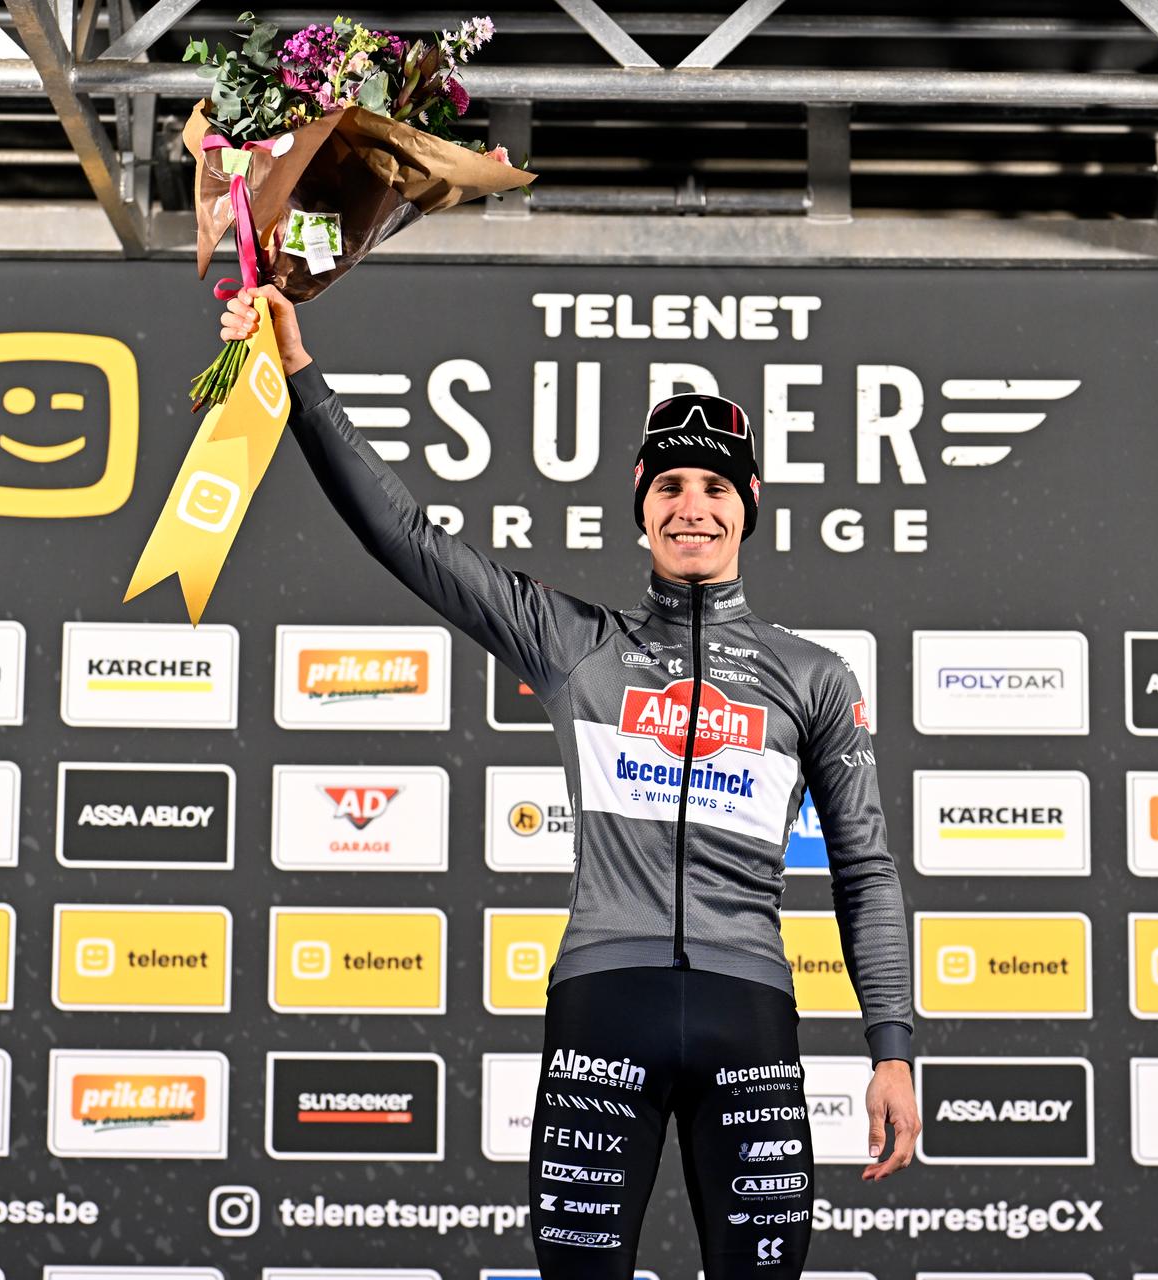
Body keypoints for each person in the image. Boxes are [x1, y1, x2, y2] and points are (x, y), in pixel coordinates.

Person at [220, 286, 920, 1279]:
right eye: (671, 484)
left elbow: (867, 870)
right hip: (604, 1004)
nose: (693, 506)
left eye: (717, 489)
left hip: (750, 1011)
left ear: (749, 506)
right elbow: (407, 539)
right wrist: (295, 372)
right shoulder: (577, 644)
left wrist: (889, 1045)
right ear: (641, 505)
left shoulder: (813, 675)